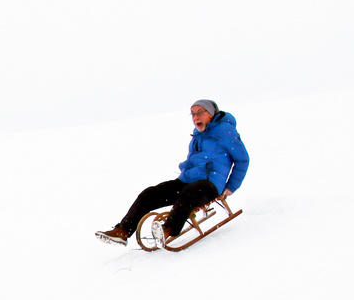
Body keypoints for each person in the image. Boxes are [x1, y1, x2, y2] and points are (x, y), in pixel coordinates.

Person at [96, 99, 249, 245]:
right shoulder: (198, 135)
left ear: (211, 113)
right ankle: (122, 232)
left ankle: (167, 229)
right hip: (187, 180)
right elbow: (192, 159)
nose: (196, 117)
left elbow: (242, 159)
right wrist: (185, 168)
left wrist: (230, 187)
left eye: (200, 112)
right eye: (193, 114)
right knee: (149, 194)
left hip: (210, 185)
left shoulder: (225, 133)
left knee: (189, 193)